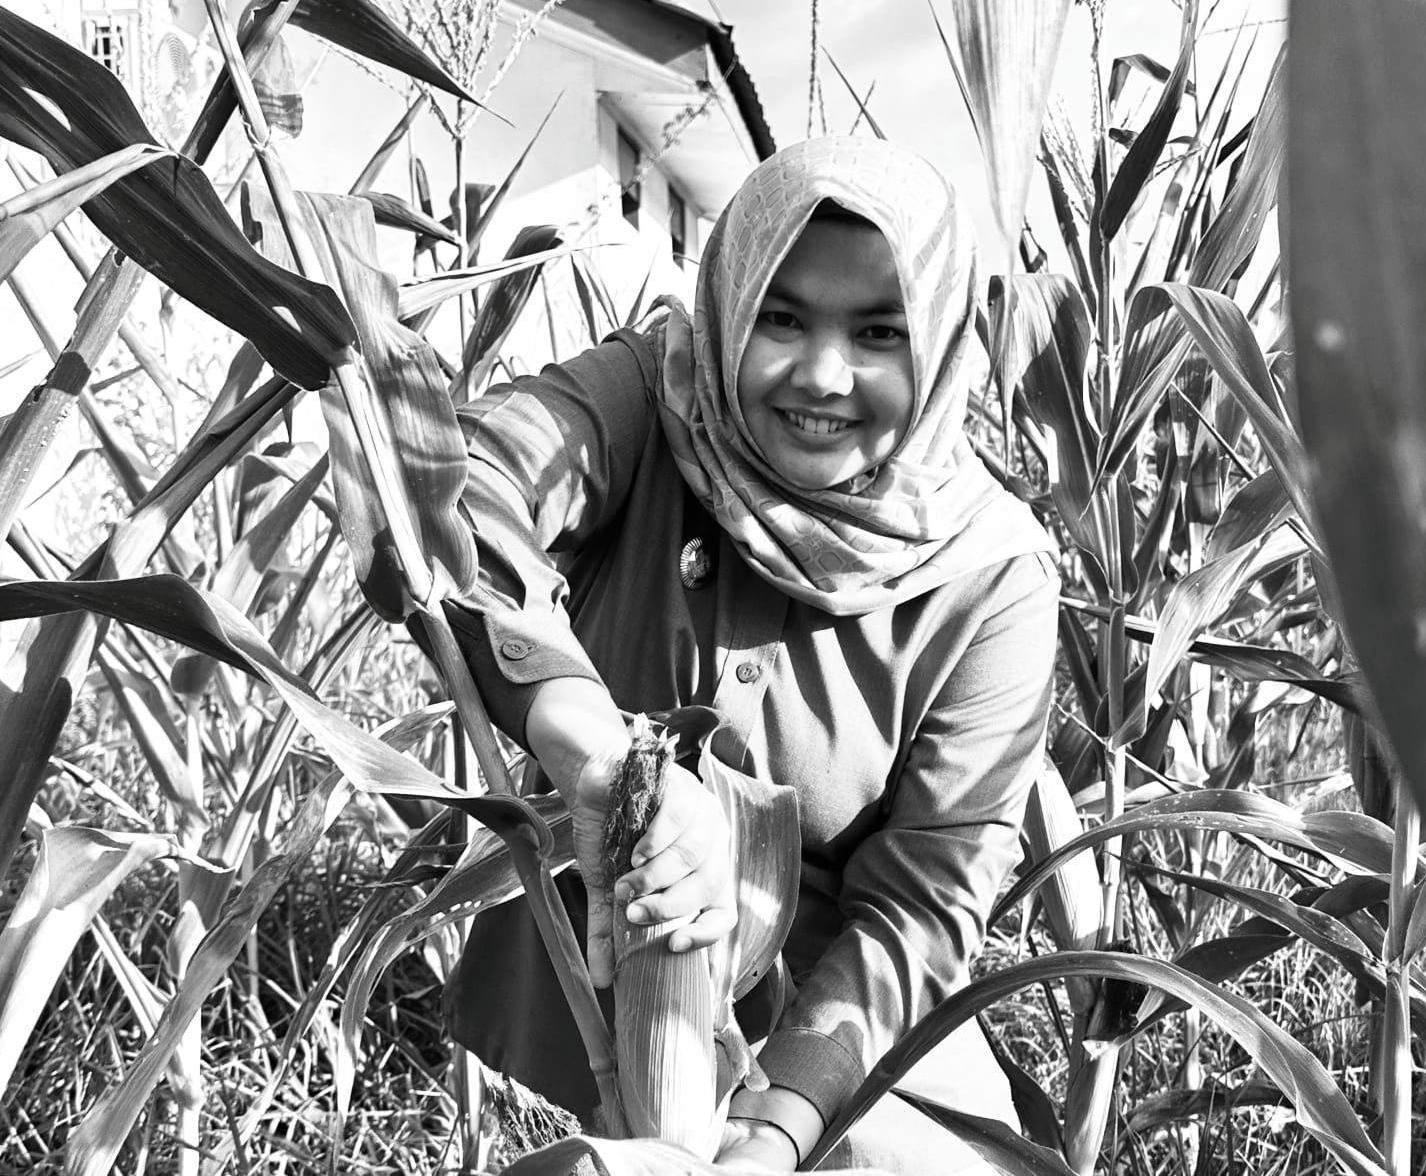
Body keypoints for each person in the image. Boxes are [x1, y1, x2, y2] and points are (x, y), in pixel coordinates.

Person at [440, 134, 1060, 1174]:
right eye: (781, 315)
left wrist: (771, 1136)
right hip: (592, 1010)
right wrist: (604, 759)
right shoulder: (656, 394)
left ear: (943, 342)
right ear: (729, 303)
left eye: (880, 331)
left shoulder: (991, 579)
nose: (823, 375)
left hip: (839, 1046)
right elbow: (451, 483)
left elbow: (919, 909)